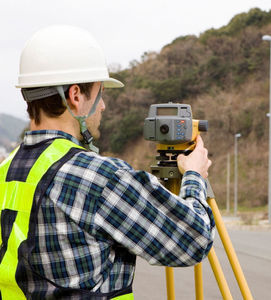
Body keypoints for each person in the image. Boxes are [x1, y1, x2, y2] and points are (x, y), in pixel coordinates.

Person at [0, 25, 214, 300]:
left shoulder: (5, 172)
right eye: (99, 94)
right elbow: (193, 240)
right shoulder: (98, 177)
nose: (103, 106)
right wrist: (194, 175)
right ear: (75, 96)